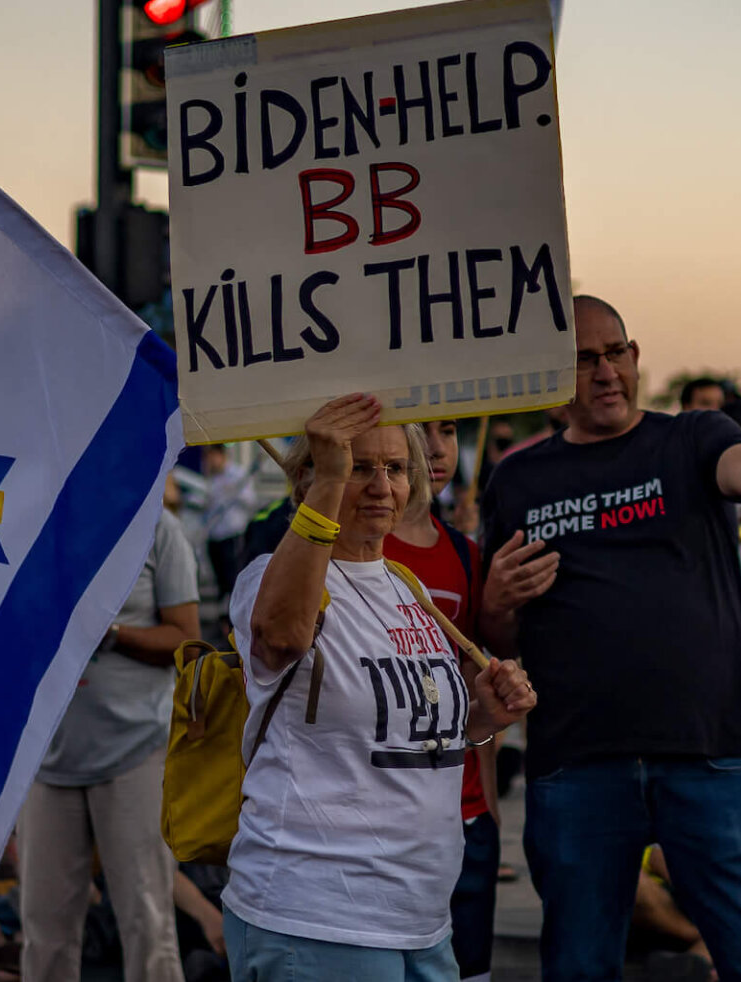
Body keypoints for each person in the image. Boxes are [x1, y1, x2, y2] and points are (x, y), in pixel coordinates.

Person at [477, 296, 741, 982]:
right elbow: (499, 635)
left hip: (708, 755)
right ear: (553, 376)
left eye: (615, 353)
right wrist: (494, 601)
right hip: (577, 764)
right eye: (583, 360)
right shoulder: (519, 479)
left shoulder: (692, 437)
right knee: (580, 967)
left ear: (636, 357)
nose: (605, 371)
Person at [228, 395, 537, 980]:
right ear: (306, 478)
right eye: (355, 466)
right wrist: (328, 480)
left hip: (422, 919)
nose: (378, 486)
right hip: (316, 919)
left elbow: (396, 732)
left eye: (394, 469)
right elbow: (281, 639)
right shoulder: (271, 576)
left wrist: (479, 719)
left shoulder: (403, 584)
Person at [15, 498, 200, 982]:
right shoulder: (25, 522)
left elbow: (187, 641)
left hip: (136, 750)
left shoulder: (159, 528)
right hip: (44, 757)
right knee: (43, 932)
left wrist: (110, 634)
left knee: (148, 926)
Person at [380, 419, 500, 982]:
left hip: (463, 813)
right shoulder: (357, 550)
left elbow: (479, 698)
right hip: (384, 822)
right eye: (418, 431)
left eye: (448, 431)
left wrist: (489, 812)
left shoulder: (464, 552)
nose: (435, 449)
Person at [197, 445, 258, 604]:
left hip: (232, 534)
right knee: (220, 579)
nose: (208, 461)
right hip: (213, 534)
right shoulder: (211, 479)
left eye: (211, 456)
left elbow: (251, 501)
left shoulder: (238, 475)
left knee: (233, 577)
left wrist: (233, 492)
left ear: (221, 455)